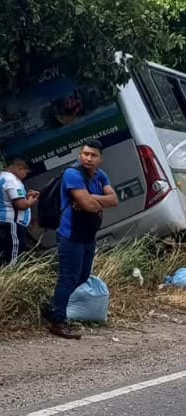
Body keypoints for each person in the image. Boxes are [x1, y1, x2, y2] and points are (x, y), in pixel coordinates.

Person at [48, 140, 118, 339]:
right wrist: (94, 200)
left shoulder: (100, 175)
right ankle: (58, 321)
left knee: (82, 276)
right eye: (85, 154)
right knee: (68, 277)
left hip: (88, 235)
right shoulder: (72, 174)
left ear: (100, 159)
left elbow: (114, 200)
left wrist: (92, 198)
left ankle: (55, 307)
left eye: (93, 155)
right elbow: (87, 205)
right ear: (80, 155)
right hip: (70, 235)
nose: (88, 158)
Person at [0, 156, 39, 266]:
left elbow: (7, 199)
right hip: (12, 224)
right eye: (26, 173)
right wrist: (32, 200)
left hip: (3, 223)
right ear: (20, 169)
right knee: (14, 257)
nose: (25, 176)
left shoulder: (2, 177)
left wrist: (25, 196)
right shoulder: (12, 180)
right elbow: (21, 205)